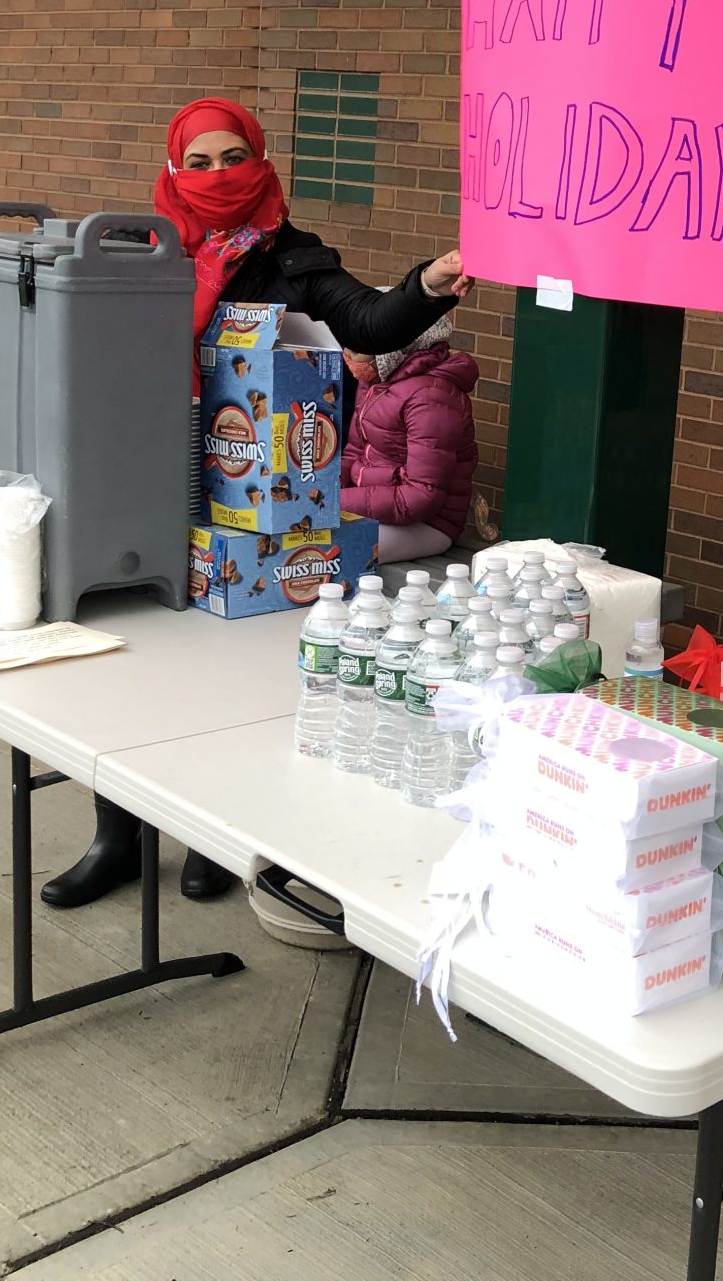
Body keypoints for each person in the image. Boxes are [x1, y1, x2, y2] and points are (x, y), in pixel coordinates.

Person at [42, 95, 474, 910]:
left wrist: (428, 284)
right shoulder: (144, 254)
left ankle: (212, 833)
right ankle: (117, 836)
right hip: (150, 479)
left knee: (226, 679)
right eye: (197, 162)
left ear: (261, 161)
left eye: (231, 158)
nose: (216, 176)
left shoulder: (295, 255)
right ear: (173, 171)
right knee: (136, 668)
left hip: (262, 493)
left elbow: (371, 322)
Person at [341, 313, 479, 563]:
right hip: (368, 504)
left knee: (326, 555)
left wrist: (337, 502)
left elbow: (421, 497)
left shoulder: (431, 398)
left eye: (359, 352)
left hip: (428, 524)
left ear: (392, 350)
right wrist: (325, 491)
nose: (348, 358)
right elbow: (355, 450)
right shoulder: (377, 379)